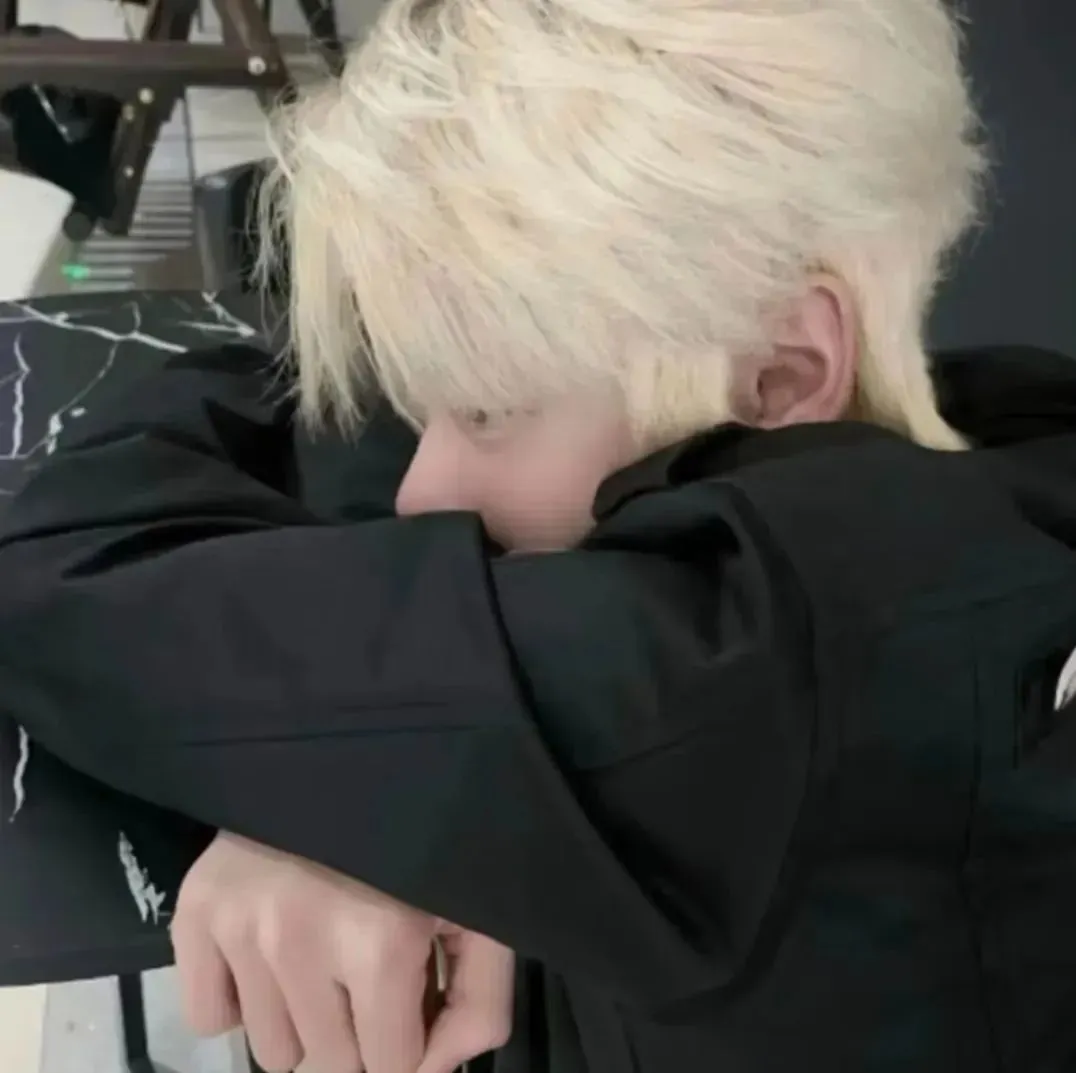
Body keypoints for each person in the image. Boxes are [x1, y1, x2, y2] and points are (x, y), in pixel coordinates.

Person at [3, 0, 1076, 1071]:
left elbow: (62, 569)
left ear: (777, 373)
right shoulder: (998, 463)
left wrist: (340, 793)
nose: (422, 489)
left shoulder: (736, 672)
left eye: (487, 409)